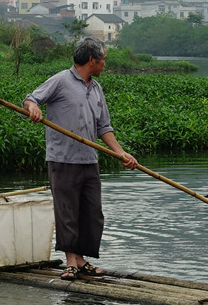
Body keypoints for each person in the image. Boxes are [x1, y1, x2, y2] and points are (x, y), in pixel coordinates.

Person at [22, 36, 137, 281]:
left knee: (92, 212)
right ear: (92, 60)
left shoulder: (96, 89)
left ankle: (82, 260)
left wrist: (120, 153)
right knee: (67, 212)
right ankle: (71, 262)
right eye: (103, 59)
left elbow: (103, 127)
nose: (105, 64)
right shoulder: (61, 80)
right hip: (62, 159)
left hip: (89, 160)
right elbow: (31, 98)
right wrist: (33, 108)